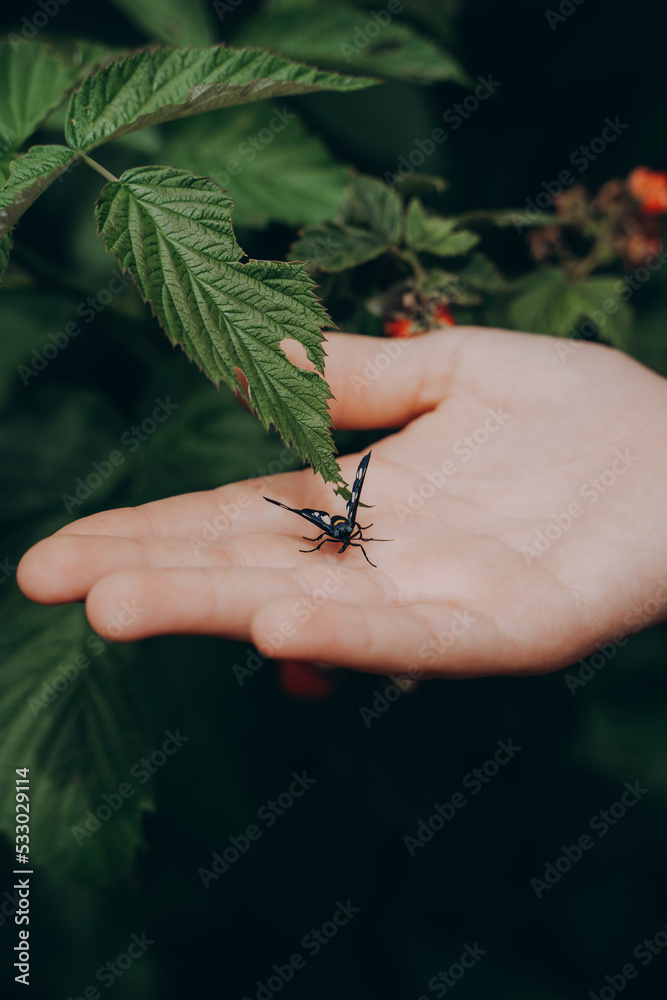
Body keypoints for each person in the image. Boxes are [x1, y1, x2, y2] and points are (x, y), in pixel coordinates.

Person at [17, 326, 667, 677]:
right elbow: (332, 525)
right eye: (343, 538)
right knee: (310, 518)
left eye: (345, 537)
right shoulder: (336, 526)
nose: (345, 539)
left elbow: (346, 524)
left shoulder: (348, 526)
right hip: (322, 515)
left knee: (320, 517)